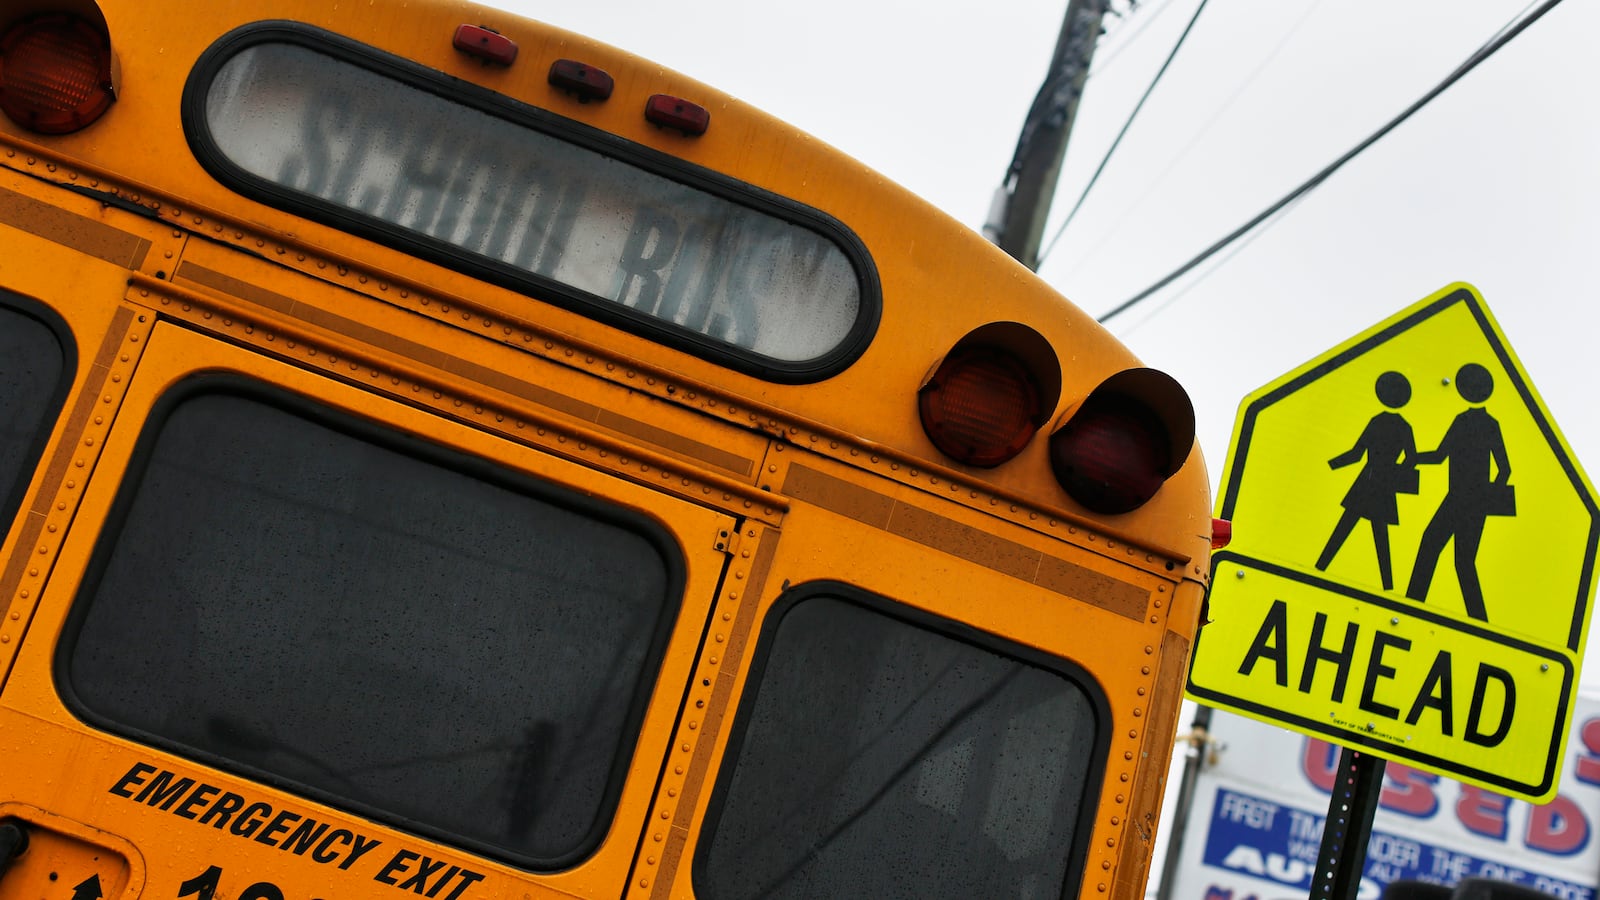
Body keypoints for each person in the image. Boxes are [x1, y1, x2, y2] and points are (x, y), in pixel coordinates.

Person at [1405, 363, 1513, 621]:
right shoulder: (1485, 423)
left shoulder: (1471, 422)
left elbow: (1441, 457)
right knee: (1458, 559)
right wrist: (1488, 496)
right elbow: (1504, 470)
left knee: (1436, 547)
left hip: (1461, 500)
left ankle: (1411, 607)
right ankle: (1477, 622)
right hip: (1470, 501)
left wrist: (1413, 459)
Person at [1316, 371, 1418, 591]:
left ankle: (1321, 567)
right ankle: (1388, 587)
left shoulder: (1379, 421)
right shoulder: (1404, 427)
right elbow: (1412, 459)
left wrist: (1330, 465)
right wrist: (1395, 472)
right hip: (1382, 484)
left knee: (1350, 528)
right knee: (1377, 535)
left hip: (1369, 480)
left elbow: (1356, 454)